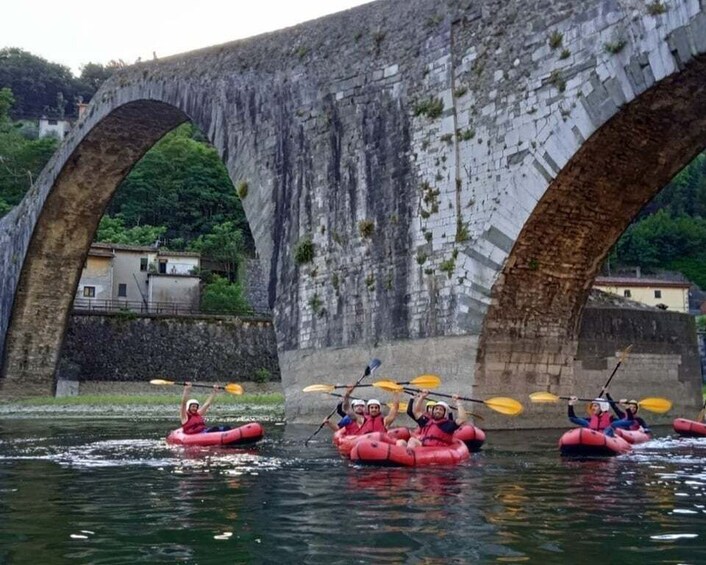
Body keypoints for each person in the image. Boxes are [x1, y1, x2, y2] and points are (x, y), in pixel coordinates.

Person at [398, 390, 466, 448]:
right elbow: (416, 411)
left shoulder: (448, 425)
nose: (438, 411)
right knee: (400, 442)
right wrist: (422, 397)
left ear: (444, 413)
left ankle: (408, 458)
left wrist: (458, 402)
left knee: (412, 441)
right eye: (436, 409)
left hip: (437, 449)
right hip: (424, 447)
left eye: (441, 410)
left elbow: (462, 419)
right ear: (433, 411)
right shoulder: (427, 421)